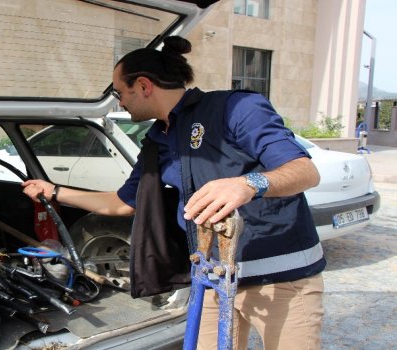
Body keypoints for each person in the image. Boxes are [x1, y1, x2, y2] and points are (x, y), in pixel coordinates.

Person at [22, 36, 325, 350]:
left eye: (119, 92)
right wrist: (55, 191)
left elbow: (304, 172)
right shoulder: (159, 138)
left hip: (282, 279)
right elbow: (123, 203)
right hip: (213, 280)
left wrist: (248, 184)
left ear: (143, 85)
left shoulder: (234, 108)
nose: (119, 102)